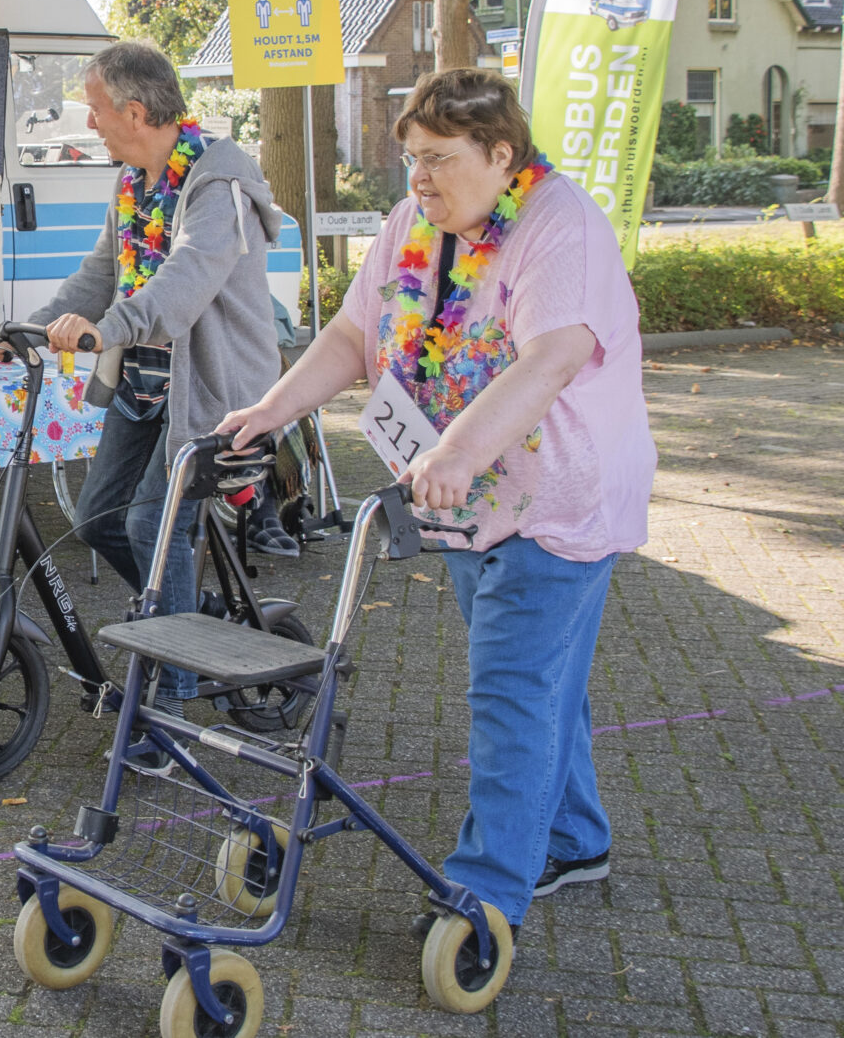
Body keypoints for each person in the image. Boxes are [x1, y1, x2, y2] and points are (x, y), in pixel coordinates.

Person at [218, 68, 654, 932]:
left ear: (502, 155)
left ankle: (486, 893)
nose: (420, 178)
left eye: (440, 159)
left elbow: (552, 357)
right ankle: (573, 835)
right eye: (412, 157)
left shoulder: (556, 225)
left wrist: (456, 448)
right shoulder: (413, 223)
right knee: (538, 679)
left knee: (511, 690)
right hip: (456, 500)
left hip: (552, 502)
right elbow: (354, 331)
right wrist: (274, 410)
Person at [25, 39, 292, 716]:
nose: (89, 123)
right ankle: (189, 615)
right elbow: (100, 275)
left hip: (212, 392)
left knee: (151, 524)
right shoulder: (132, 182)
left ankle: (172, 696)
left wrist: (105, 329)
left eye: (94, 109)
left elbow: (184, 286)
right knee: (97, 520)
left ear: (135, 110)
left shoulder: (216, 184)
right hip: (142, 387)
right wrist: (30, 327)